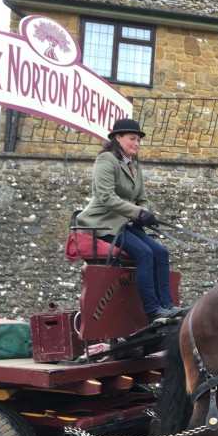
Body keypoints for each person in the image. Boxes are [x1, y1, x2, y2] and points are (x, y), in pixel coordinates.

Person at [76, 118, 181, 323]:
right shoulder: (106, 160)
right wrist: (138, 213)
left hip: (125, 223)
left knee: (161, 252)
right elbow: (106, 197)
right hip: (103, 222)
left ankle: (168, 306)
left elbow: (141, 197)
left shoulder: (135, 166)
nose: (136, 143)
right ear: (118, 138)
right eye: (132, 139)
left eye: (138, 140)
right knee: (144, 253)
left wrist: (144, 214)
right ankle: (153, 310)